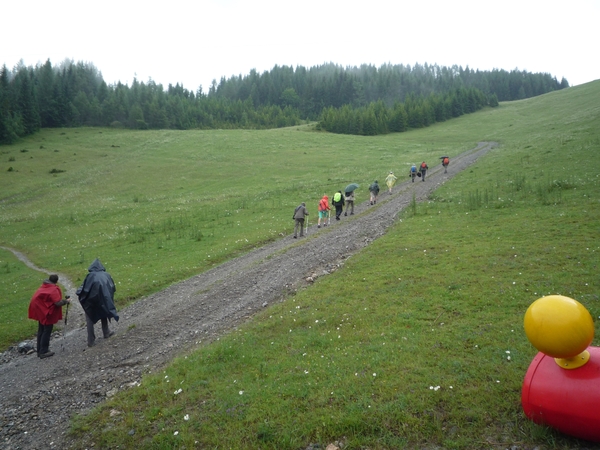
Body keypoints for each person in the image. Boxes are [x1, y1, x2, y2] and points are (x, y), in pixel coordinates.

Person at [77, 258, 119, 347]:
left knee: (89, 319)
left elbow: (84, 288)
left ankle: (91, 340)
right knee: (103, 312)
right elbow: (112, 287)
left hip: (91, 301)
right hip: (103, 299)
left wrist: (80, 295)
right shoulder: (106, 275)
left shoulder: (90, 276)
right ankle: (106, 332)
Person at [28, 274, 70, 358]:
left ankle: (39, 350)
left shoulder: (44, 286)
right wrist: (66, 301)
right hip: (45, 311)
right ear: (56, 281)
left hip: (39, 309)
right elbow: (57, 303)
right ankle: (43, 351)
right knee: (47, 330)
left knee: (41, 330)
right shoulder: (53, 289)